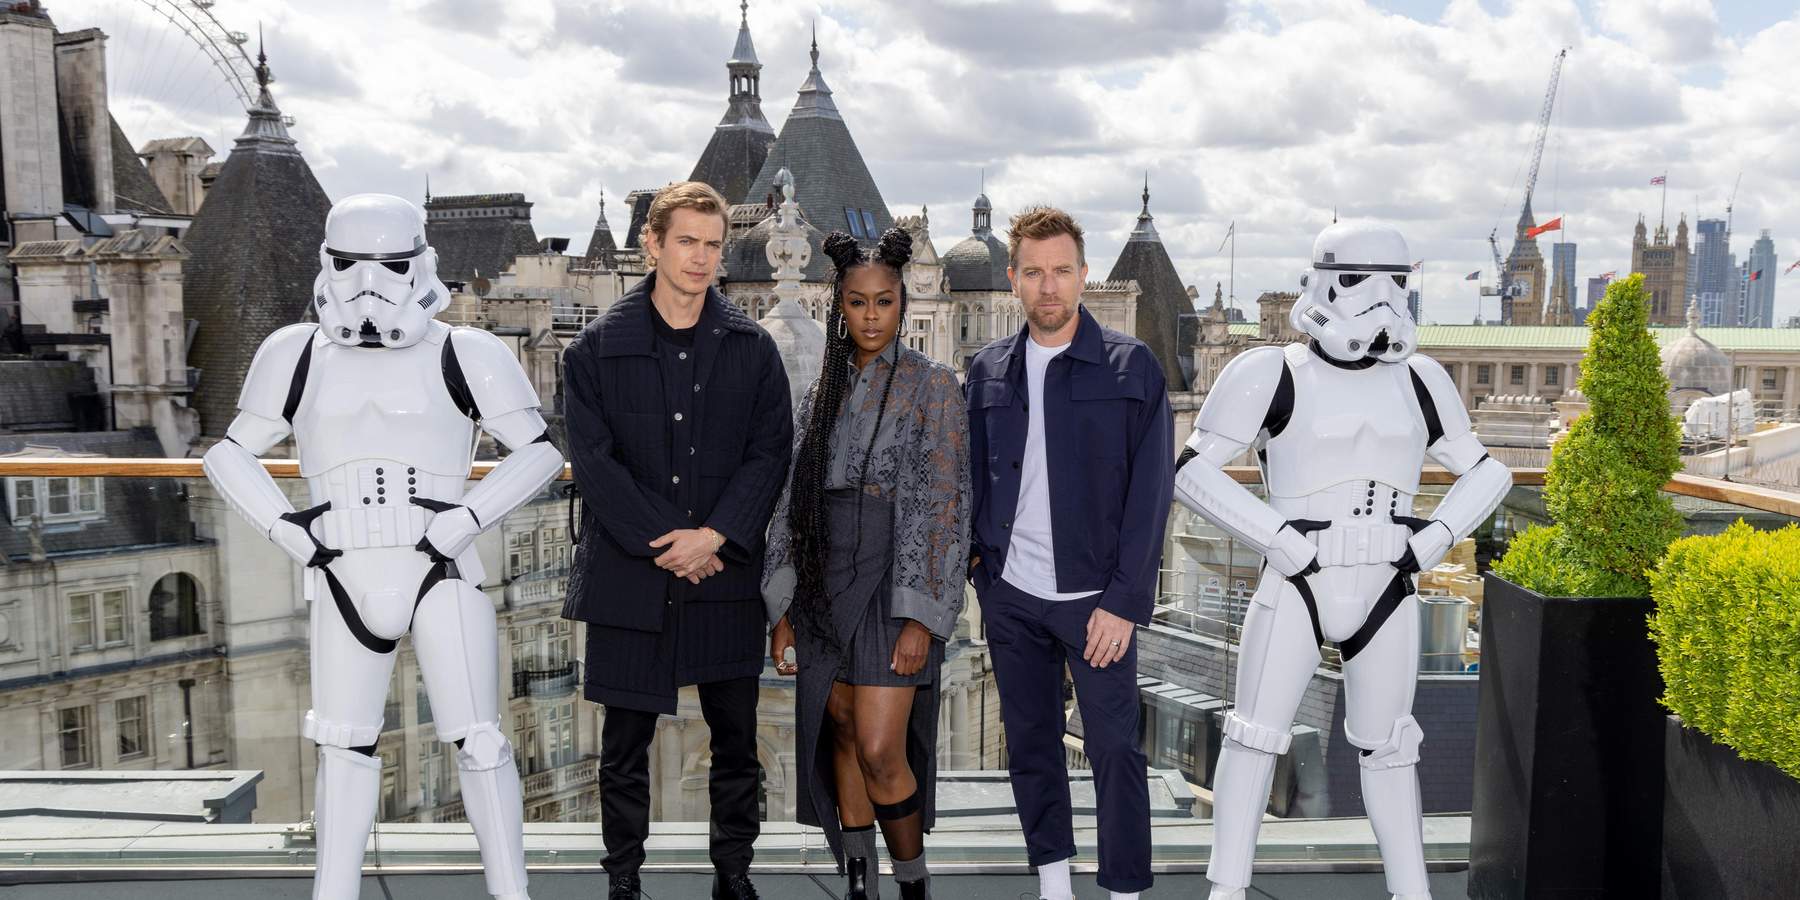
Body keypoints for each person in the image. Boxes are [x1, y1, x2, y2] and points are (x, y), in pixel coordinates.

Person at [203, 193, 565, 900]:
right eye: (350, 264)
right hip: (343, 568)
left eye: (389, 264)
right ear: (328, 264)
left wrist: (463, 520)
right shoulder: (293, 352)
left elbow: (540, 454)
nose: (369, 284)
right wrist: (289, 531)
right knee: (343, 745)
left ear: (419, 264)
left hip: (437, 567)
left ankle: (511, 893)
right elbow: (228, 456)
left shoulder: (469, 351)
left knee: (480, 740)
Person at [1174, 221, 1511, 900]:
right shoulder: (1269, 371)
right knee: (1253, 737)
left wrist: (1431, 540)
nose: (1380, 298)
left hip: (1388, 579)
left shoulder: (1420, 380)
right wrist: (1279, 539)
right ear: (1324, 280)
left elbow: (1488, 473)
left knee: (1391, 749)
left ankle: (1411, 891)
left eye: (1396, 282)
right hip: (1301, 576)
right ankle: (1227, 891)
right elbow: (1190, 471)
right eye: (1360, 278)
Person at [558, 181, 793, 900]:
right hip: (632, 578)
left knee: (736, 744)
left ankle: (734, 876)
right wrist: (675, 542)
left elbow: (770, 451)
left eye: (712, 245)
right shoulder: (594, 350)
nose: (700, 258)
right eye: (686, 241)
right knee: (623, 748)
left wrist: (715, 535)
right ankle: (623, 881)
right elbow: (594, 464)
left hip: (722, 575)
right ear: (653, 244)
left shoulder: (753, 349)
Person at [965, 206, 1172, 900]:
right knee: (1032, 747)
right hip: (1013, 597)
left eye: (1060, 271)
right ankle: (1054, 883)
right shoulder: (987, 369)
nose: (1048, 286)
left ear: (1083, 276)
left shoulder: (1131, 366)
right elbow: (968, 476)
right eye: (1033, 272)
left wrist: (1122, 602)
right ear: (1013, 279)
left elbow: (1151, 497)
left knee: (1116, 750)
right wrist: (980, 574)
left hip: (1095, 604)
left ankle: (1123, 891)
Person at [763, 229, 971, 900]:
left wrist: (921, 619)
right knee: (844, 734)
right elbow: (790, 500)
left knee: (883, 748)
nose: (872, 316)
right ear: (840, 306)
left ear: (903, 303)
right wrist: (785, 605)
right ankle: (861, 887)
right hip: (824, 579)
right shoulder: (818, 393)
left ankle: (913, 887)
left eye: (884, 301)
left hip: (893, 581)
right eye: (858, 302)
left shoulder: (934, 385)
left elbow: (944, 504)